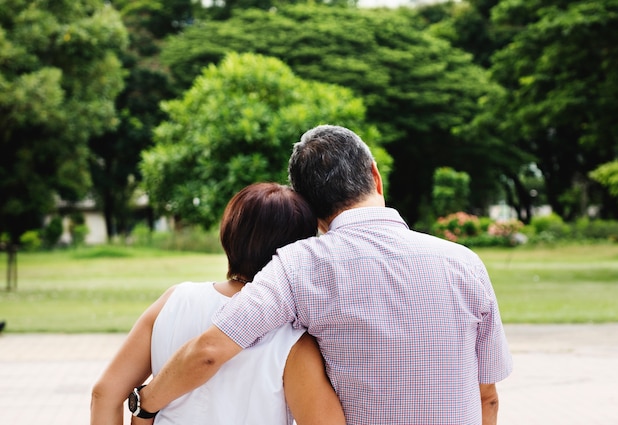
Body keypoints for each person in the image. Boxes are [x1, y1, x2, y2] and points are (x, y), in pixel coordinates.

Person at [135, 125, 513, 425]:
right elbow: (487, 397)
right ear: (375, 176)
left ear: (308, 206)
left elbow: (210, 351)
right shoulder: (464, 263)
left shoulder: (299, 266)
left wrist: (146, 405)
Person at [91, 182, 346, 425]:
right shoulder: (293, 336)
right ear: (299, 251)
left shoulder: (174, 300)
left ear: (228, 234)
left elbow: (105, 394)